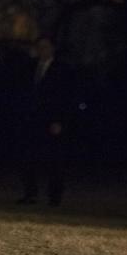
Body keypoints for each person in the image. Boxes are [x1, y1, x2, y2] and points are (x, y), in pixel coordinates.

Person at [17, 37, 74, 206]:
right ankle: (30, 194)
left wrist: (60, 121)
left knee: (54, 161)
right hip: (31, 121)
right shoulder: (30, 68)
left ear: (52, 48)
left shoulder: (62, 69)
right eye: (40, 47)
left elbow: (66, 98)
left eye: (46, 47)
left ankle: (54, 196)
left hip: (51, 122)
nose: (42, 50)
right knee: (28, 158)